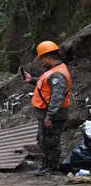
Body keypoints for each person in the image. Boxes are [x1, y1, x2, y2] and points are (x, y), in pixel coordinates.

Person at [24, 41, 72, 176]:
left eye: (41, 59)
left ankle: (51, 169)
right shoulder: (55, 71)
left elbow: (57, 97)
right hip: (47, 113)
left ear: (48, 58)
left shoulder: (58, 74)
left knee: (51, 141)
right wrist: (31, 80)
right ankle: (45, 167)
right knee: (44, 139)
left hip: (52, 114)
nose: (41, 62)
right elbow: (46, 85)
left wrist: (49, 117)